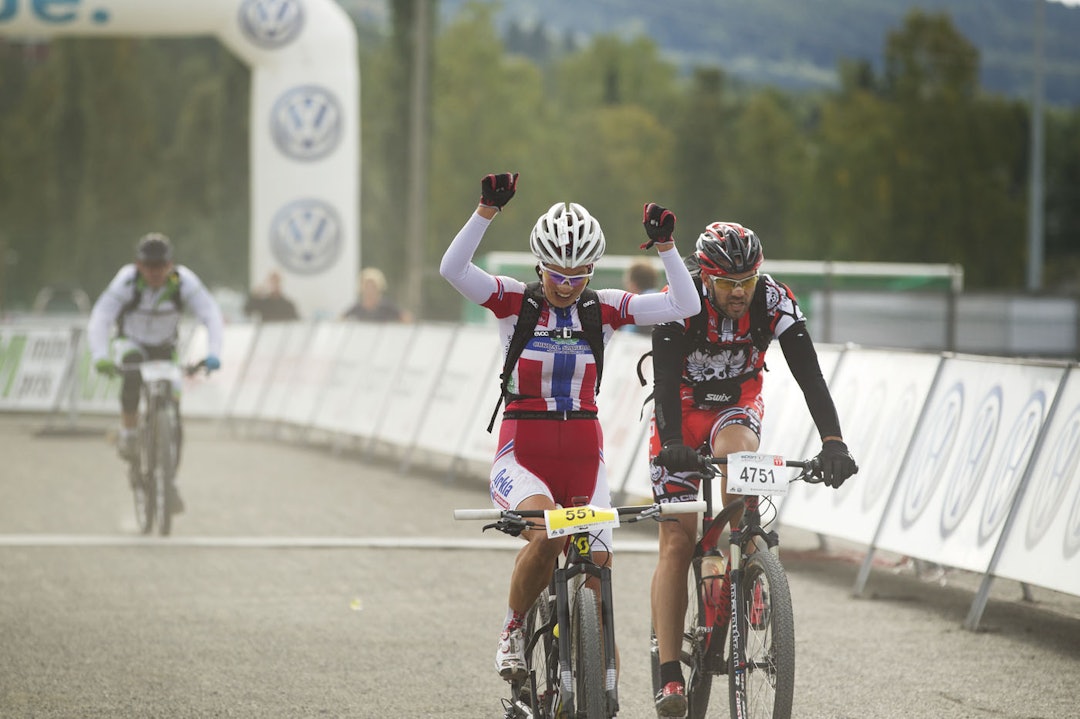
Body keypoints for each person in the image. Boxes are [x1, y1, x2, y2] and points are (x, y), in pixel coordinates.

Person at [439, 171, 700, 687]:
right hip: (524, 449)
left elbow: (684, 305)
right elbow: (452, 269)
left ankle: (603, 693)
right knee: (546, 535)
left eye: (578, 276)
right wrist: (485, 211)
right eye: (557, 275)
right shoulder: (514, 302)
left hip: (584, 450)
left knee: (599, 572)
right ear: (540, 266)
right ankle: (513, 628)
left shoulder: (600, 307)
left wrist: (668, 247)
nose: (566, 286)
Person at [647, 221, 858, 717]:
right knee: (678, 539)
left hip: (734, 409)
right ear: (705, 276)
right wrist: (673, 444)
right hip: (678, 411)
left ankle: (748, 556)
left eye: (747, 281)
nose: (738, 292)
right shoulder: (679, 300)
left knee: (740, 466)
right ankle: (671, 673)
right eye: (727, 282)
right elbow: (660, 381)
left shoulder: (773, 299)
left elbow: (810, 375)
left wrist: (833, 441)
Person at [87, 232, 224, 513]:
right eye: (149, 267)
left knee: (174, 414)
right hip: (131, 343)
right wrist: (100, 355)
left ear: (170, 265)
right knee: (132, 375)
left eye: (160, 267)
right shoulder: (126, 281)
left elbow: (210, 313)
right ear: (139, 265)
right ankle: (128, 432)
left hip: (165, 349)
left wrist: (214, 353)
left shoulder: (184, 281)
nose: (155, 274)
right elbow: (101, 316)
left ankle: (168, 480)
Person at [341, 267, 409, 322]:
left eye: (373, 286)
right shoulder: (356, 308)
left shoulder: (386, 307)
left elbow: (406, 318)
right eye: (367, 286)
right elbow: (340, 320)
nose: (370, 290)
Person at [621, 258, 660, 334]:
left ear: (633, 284)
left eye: (628, 281)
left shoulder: (636, 305)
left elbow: (627, 336)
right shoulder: (663, 300)